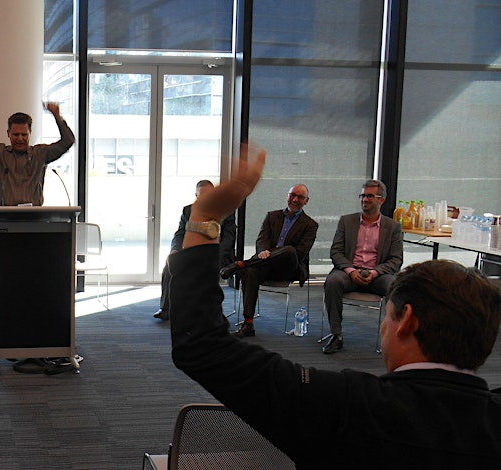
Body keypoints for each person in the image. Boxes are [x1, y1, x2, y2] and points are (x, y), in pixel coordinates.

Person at [169, 143, 501, 467]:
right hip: (335, 271)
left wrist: (205, 218)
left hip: (346, 271)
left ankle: (241, 268)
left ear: (406, 321)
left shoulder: (343, 405)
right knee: (328, 280)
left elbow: (201, 346)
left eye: (388, 314)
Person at [218, 184, 318, 337]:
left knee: (290, 250)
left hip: (290, 267)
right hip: (265, 265)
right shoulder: (272, 216)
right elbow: (261, 240)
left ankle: (240, 264)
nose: (295, 199)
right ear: (287, 196)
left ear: (307, 201)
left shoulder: (310, 224)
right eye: (292, 195)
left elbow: (301, 253)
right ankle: (248, 323)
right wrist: (264, 252)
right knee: (250, 272)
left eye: (300, 197)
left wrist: (268, 254)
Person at [322, 179, 403, 354]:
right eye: (362, 195)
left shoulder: (393, 227)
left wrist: (374, 273)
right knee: (333, 282)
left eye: (369, 196)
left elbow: (396, 260)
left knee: (395, 287)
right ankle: (336, 335)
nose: (364, 200)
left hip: (377, 275)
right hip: (349, 271)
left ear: (381, 200)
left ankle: (393, 338)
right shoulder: (347, 221)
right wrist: (350, 271)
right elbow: (336, 252)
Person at [0, 89, 75, 206]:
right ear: (8, 133)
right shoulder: (0, 153)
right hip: (5, 219)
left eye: (24, 135)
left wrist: (58, 117)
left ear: (30, 133)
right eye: (15, 134)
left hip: (34, 219)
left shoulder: (40, 154)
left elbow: (68, 141)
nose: (20, 138)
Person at [154, 180, 236, 321]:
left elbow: (228, 240)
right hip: (192, 254)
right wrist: (175, 250)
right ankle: (166, 309)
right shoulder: (188, 211)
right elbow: (180, 234)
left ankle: (208, 313)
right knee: (170, 265)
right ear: (196, 196)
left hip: (216, 255)